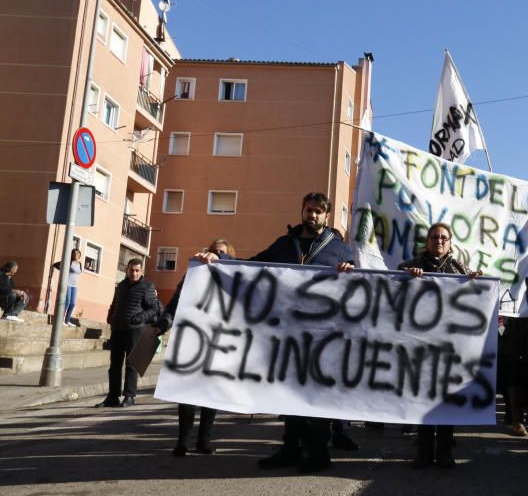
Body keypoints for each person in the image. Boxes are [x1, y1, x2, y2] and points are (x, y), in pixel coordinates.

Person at [196, 193, 355, 474]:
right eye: (309, 210)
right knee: (288, 393)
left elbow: (358, 287)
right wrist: (218, 258)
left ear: (326, 216)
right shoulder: (284, 244)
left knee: (317, 396)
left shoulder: (339, 249)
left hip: (322, 336)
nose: (313, 216)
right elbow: (250, 267)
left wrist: (351, 271)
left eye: (319, 211)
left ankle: (318, 453)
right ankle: (290, 449)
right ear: (301, 211)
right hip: (286, 334)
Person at [399, 222, 482, 469]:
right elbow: (394, 286)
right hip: (420, 344)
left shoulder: (459, 269)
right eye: (434, 237)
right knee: (423, 398)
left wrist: (476, 281)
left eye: (444, 237)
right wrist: (408, 278)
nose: (439, 241)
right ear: (427, 241)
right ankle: (423, 452)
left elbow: (476, 294)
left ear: (450, 242)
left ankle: (445, 451)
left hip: (449, 346)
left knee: (446, 400)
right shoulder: (412, 265)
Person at [154, 238, 235, 457]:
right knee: (187, 395)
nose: (216, 254)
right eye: (214, 251)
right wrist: (162, 325)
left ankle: (204, 441)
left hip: (218, 343)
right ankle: (183, 441)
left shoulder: (232, 278)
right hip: (190, 341)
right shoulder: (193, 274)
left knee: (209, 395)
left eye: (221, 252)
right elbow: (174, 305)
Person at [99, 259, 162, 408]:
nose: (134, 273)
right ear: (127, 270)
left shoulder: (147, 286)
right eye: (131, 270)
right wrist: (110, 316)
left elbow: (154, 308)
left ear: (141, 272)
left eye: (136, 270)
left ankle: (129, 397)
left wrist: (140, 317)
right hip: (118, 329)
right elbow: (115, 303)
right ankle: (112, 397)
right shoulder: (121, 285)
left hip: (136, 330)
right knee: (114, 365)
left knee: (131, 364)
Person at [52, 249, 84, 326]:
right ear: (72, 254)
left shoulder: (79, 264)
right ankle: (60, 320)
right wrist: (63, 270)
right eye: (75, 253)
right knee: (67, 302)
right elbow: (56, 264)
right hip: (68, 284)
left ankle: (67, 320)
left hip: (74, 286)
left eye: (78, 253)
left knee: (72, 304)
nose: (77, 254)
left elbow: (78, 272)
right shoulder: (68, 261)